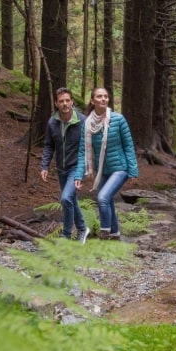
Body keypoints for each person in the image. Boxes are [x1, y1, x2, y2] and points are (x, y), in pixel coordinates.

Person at [73, 87, 139, 240]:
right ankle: (115, 234)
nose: (103, 99)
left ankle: (104, 233)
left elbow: (128, 145)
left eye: (105, 96)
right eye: (99, 96)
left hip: (120, 168)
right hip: (103, 170)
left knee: (102, 198)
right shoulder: (88, 124)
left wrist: (133, 170)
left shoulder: (118, 119)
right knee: (106, 199)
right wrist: (78, 174)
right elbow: (83, 151)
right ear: (92, 101)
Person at [41, 87, 90, 243]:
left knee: (66, 199)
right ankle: (82, 228)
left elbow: (89, 147)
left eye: (67, 100)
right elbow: (49, 145)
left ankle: (66, 236)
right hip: (61, 169)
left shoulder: (82, 121)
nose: (65, 104)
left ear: (72, 102)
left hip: (76, 167)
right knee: (70, 200)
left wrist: (84, 171)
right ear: (56, 103)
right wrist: (44, 166)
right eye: (61, 101)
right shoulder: (52, 122)